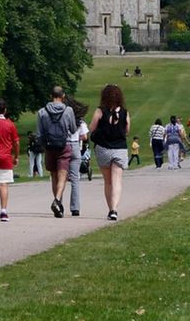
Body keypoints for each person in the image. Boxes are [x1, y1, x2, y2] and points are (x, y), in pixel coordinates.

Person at [87, 84, 130, 220]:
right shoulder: (124, 112)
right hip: (120, 149)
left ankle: (110, 208)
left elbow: (91, 129)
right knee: (117, 180)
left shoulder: (100, 111)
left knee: (108, 181)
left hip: (103, 148)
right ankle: (114, 209)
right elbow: (126, 131)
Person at [38, 86, 77, 218]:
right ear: (63, 96)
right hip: (63, 146)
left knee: (54, 176)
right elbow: (72, 129)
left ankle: (58, 204)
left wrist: (44, 144)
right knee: (63, 175)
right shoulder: (68, 110)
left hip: (49, 147)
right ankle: (57, 201)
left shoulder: (42, 112)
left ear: (51, 96)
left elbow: (40, 133)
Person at [66, 99, 89, 216]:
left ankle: (58, 202)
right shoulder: (80, 122)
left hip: (64, 146)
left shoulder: (63, 119)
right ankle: (75, 207)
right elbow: (84, 136)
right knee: (75, 179)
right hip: (75, 146)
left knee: (61, 176)